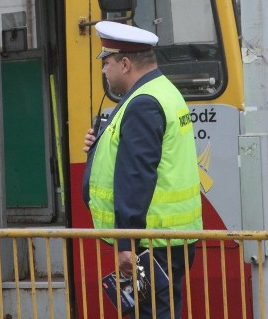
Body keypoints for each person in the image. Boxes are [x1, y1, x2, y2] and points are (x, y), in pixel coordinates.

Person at [82, 21, 203, 318]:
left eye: (106, 62)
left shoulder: (143, 103)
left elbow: (136, 176)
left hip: (152, 243)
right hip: (165, 239)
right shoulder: (162, 92)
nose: (103, 70)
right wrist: (99, 146)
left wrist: (127, 242)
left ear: (124, 63)